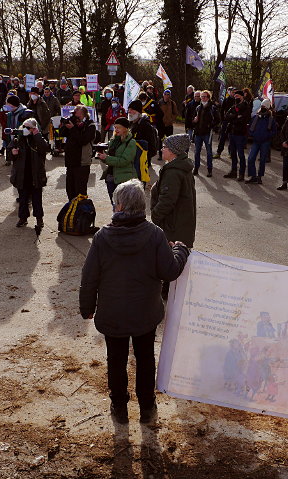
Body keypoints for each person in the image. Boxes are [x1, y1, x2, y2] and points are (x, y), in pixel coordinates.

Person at [80, 179, 190, 424]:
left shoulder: (102, 238)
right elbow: (170, 271)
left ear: (119, 206)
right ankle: (147, 407)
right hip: (145, 313)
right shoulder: (154, 235)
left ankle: (119, 407)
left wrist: (87, 307)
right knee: (145, 357)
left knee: (116, 360)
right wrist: (180, 250)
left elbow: (89, 277)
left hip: (113, 313)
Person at [151, 134, 197, 248]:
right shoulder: (181, 166)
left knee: (171, 261)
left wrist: (155, 216)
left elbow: (167, 200)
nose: (161, 149)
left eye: (164, 147)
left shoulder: (173, 172)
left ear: (172, 151)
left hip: (172, 227)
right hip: (181, 224)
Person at [9, 118, 49, 231]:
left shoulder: (38, 139)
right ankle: (23, 218)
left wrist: (37, 135)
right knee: (23, 199)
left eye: (28, 128)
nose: (25, 129)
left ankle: (39, 219)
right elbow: (9, 154)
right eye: (24, 127)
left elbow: (45, 148)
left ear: (34, 129)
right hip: (22, 175)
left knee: (37, 199)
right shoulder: (18, 138)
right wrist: (13, 153)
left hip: (35, 175)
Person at [60, 105, 96, 200]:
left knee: (80, 191)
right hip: (71, 161)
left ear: (83, 115)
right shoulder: (73, 124)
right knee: (70, 190)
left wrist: (73, 129)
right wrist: (66, 124)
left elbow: (83, 140)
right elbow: (61, 133)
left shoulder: (90, 125)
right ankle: (72, 211)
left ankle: (81, 212)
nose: (74, 115)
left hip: (82, 162)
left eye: (76, 114)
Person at [98, 117, 137, 201]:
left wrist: (107, 158)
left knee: (123, 205)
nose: (116, 129)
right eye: (115, 127)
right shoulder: (114, 140)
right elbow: (109, 156)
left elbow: (124, 161)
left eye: (118, 127)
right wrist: (102, 155)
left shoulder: (131, 142)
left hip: (123, 178)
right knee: (114, 204)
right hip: (110, 177)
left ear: (125, 128)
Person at [246, 99, 276, 185]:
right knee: (251, 158)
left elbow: (274, 131)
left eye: (264, 107)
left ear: (268, 108)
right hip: (256, 141)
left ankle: (259, 177)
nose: (262, 108)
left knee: (262, 160)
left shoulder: (271, 119)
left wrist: (267, 136)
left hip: (265, 142)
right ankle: (253, 176)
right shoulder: (256, 117)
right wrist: (253, 134)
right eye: (262, 106)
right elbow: (250, 128)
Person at [223, 90, 251, 181]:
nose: (236, 97)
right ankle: (233, 171)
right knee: (233, 153)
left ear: (242, 96)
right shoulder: (234, 106)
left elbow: (243, 119)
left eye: (238, 96)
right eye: (235, 96)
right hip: (232, 132)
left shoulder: (246, 106)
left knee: (241, 154)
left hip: (240, 134)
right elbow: (227, 116)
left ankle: (241, 173)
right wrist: (236, 116)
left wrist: (234, 117)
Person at [192, 90, 220, 177]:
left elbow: (218, 119)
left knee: (209, 152)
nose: (202, 98)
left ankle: (209, 170)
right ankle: (196, 168)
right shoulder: (198, 107)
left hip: (207, 133)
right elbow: (193, 119)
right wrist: (194, 120)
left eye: (204, 97)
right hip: (198, 133)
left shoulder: (212, 107)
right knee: (197, 152)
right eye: (201, 96)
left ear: (208, 97)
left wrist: (210, 125)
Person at [4, 95, 35, 166]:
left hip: (23, 142)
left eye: (7, 104)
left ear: (12, 105)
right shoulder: (9, 114)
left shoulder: (26, 114)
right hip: (13, 140)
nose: (6, 105)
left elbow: (27, 131)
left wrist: (15, 132)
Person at [214, 87, 236, 159]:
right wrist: (223, 119)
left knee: (231, 138)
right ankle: (219, 152)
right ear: (229, 92)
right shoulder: (226, 100)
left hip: (233, 122)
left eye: (235, 92)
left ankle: (231, 153)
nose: (234, 93)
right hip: (226, 121)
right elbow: (222, 110)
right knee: (222, 137)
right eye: (233, 92)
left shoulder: (237, 101)